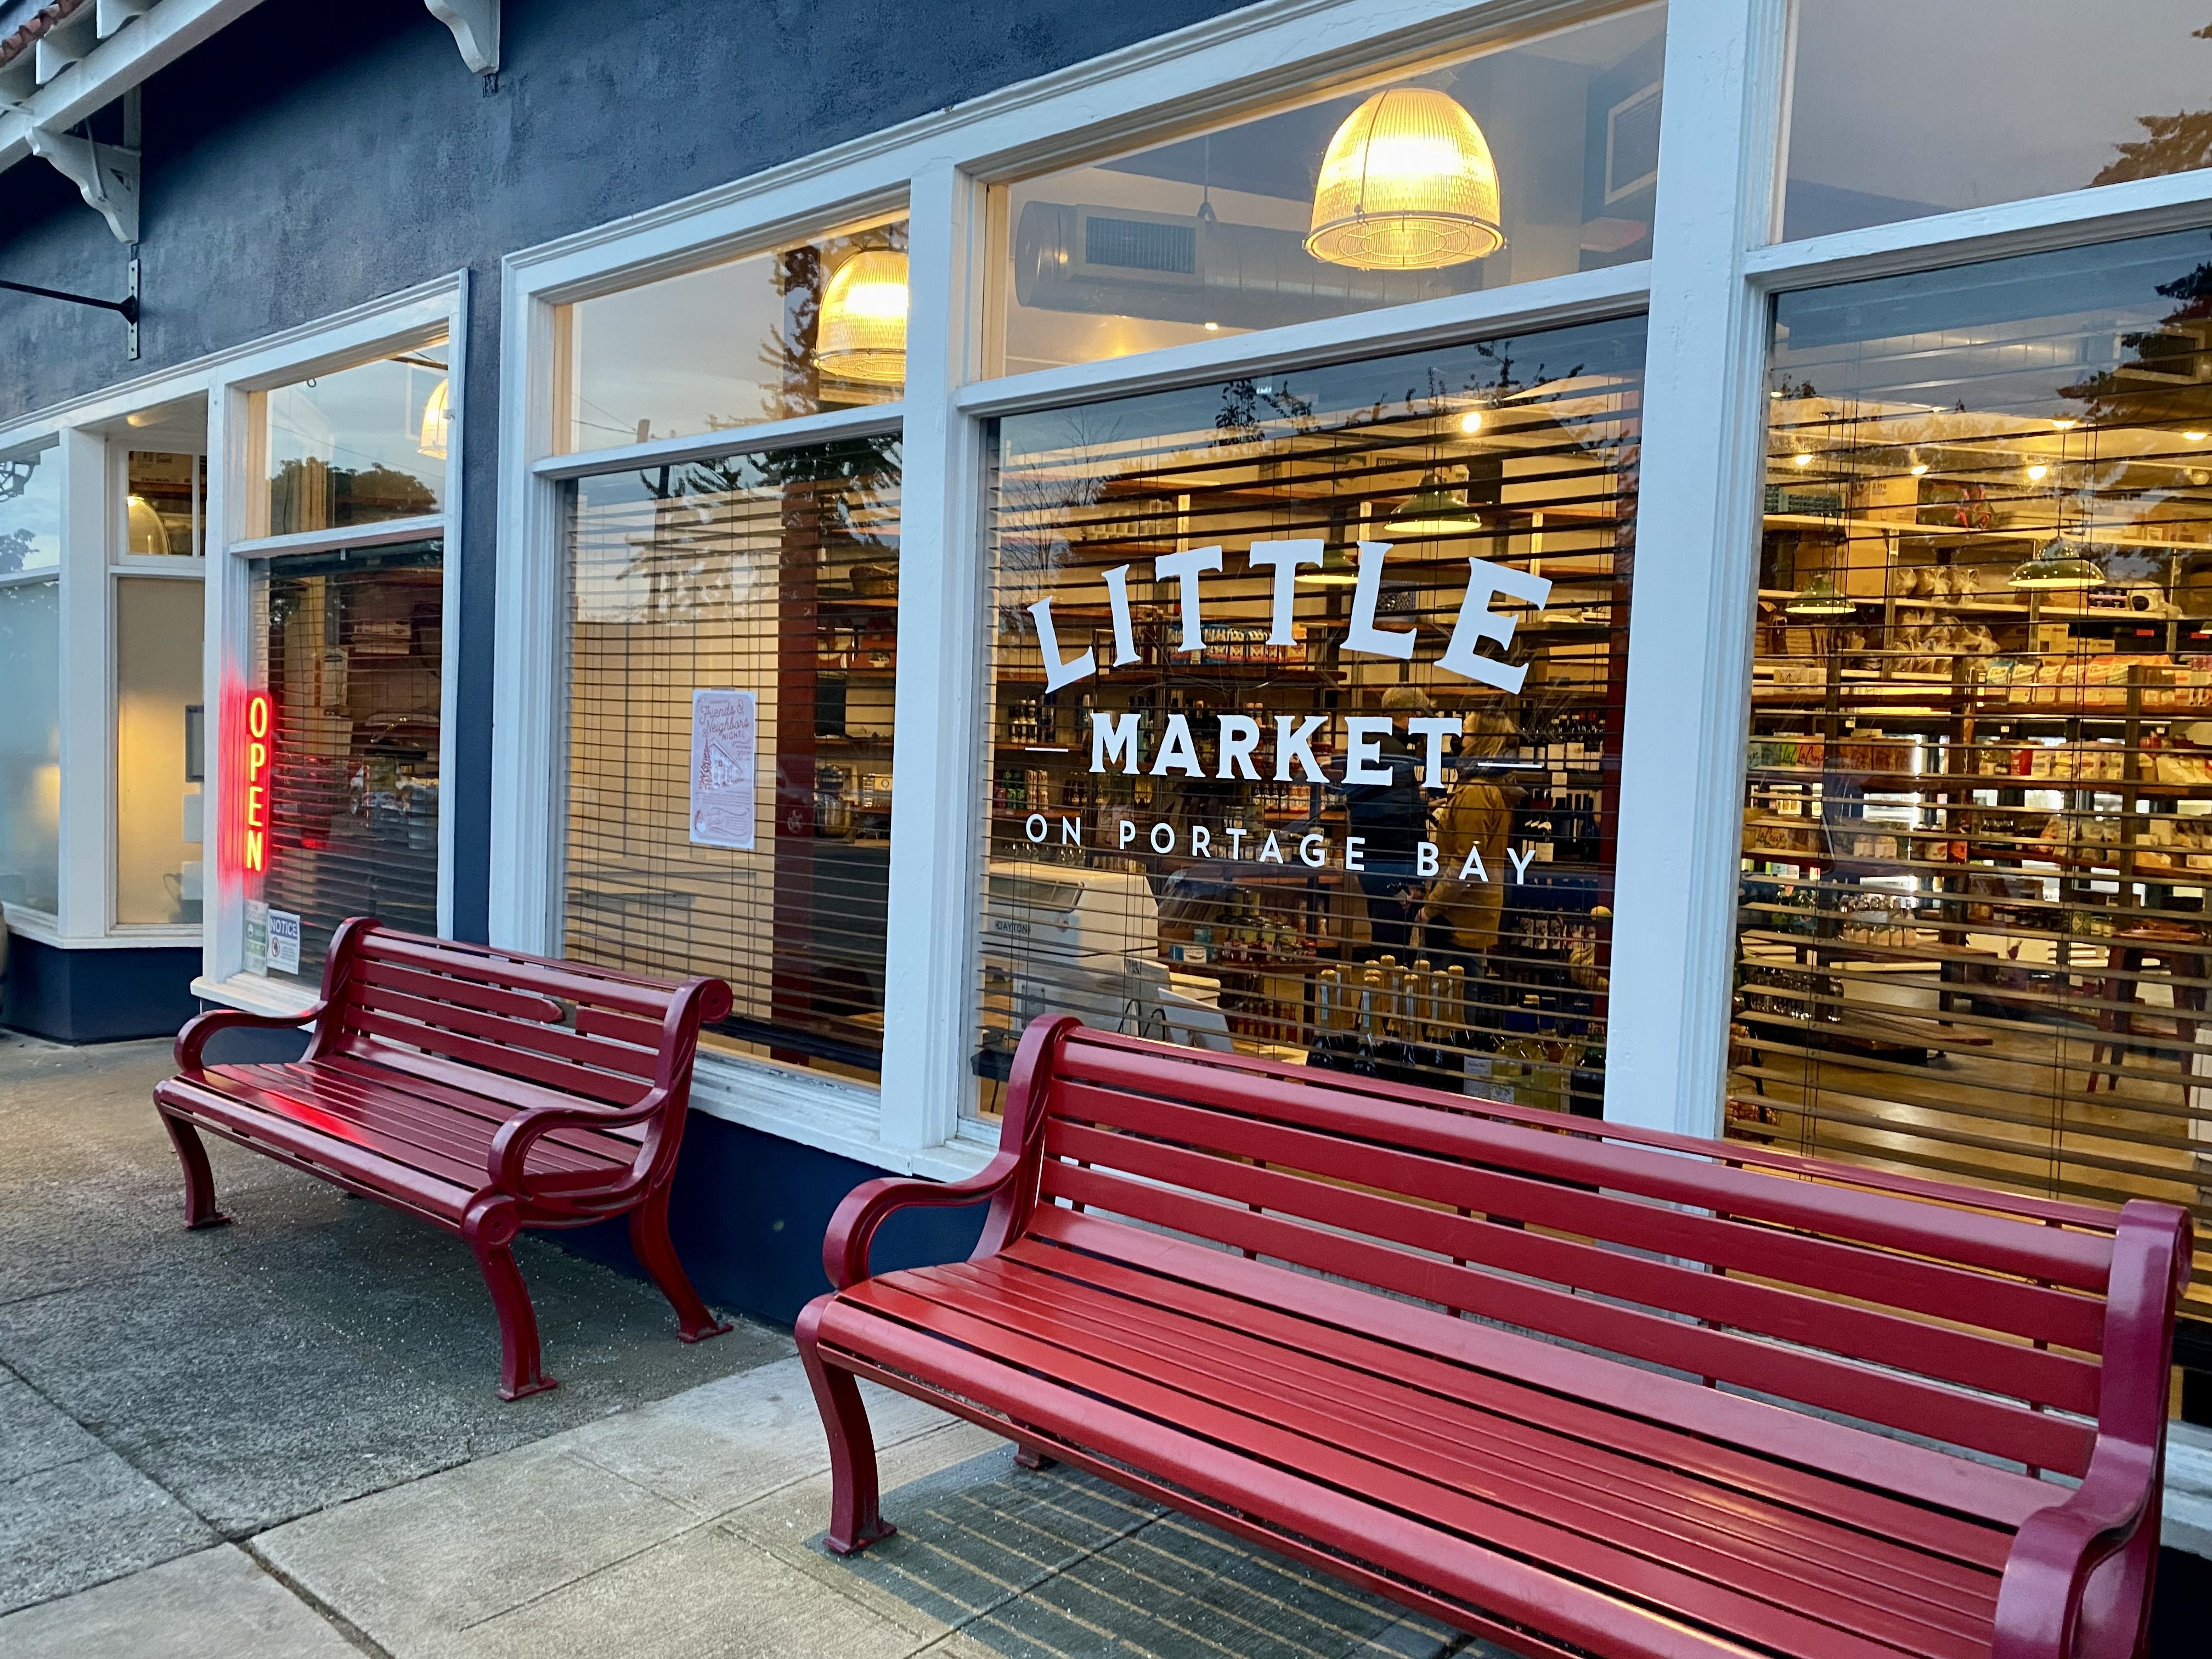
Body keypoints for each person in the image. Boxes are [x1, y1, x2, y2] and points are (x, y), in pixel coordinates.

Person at [1419, 710, 1522, 978]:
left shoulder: (1476, 792)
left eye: (1467, 734)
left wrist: (1431, 908)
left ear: (1483, 741)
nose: (1460, 741)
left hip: (1459, 919)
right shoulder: (1486, 786)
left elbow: (1467, 865)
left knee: (1451, 998)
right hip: (1470, 914)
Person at [1342, 685, 1435, 954]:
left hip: (1370, 857)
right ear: (1412, 714)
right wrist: (1416, 877)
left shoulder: (1363, 742)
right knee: (1394, 951)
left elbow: (1370, 802)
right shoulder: (1396, 752)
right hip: (1396, 863)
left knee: (1382, 942)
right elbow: (1398, 819)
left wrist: (1418, 805)